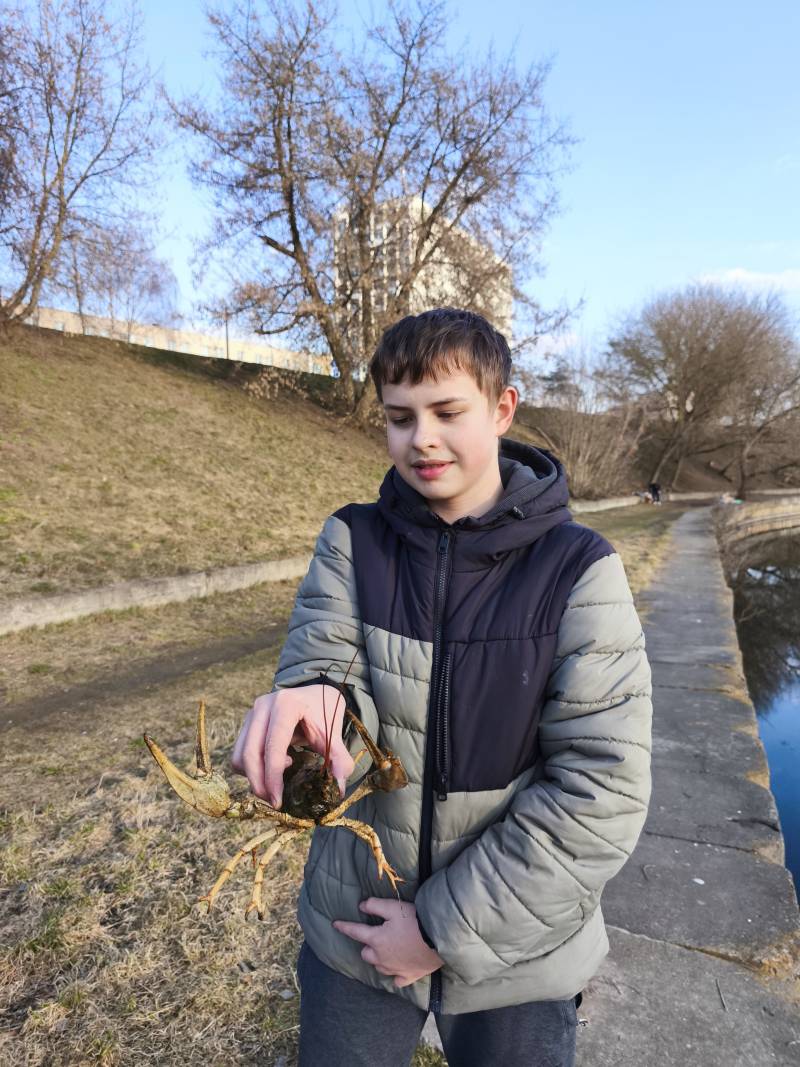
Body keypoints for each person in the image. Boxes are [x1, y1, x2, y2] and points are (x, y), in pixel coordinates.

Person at [232, 308, 652, 1067]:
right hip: (356, 923)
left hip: (520, 946)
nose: (420, 437)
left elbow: (603, 790)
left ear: (502, 409)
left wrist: (435, 931)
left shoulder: (580, 568)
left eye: (447, 411)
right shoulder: (351, 541)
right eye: (399, 417)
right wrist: (313, 711)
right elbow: (324, 670)